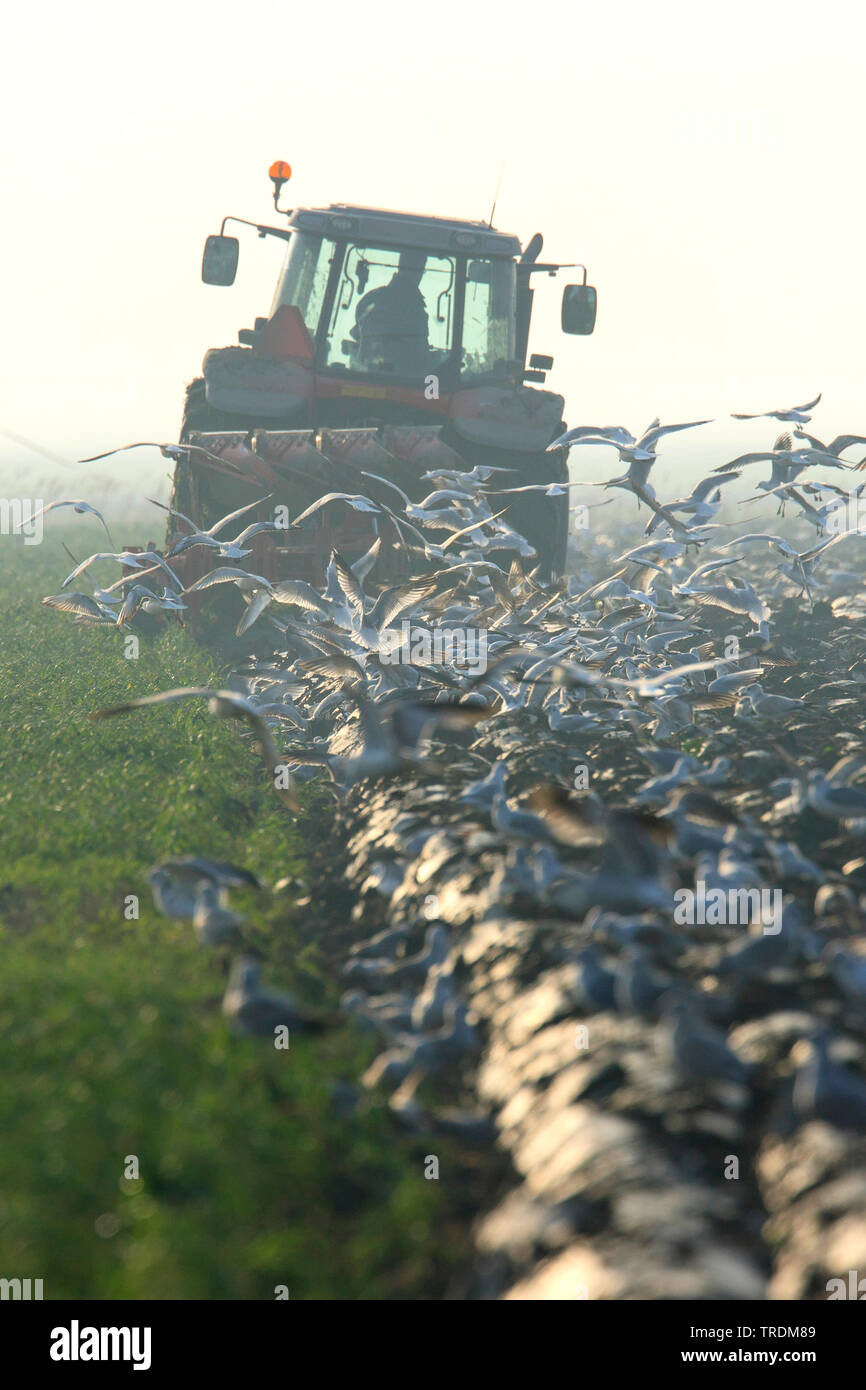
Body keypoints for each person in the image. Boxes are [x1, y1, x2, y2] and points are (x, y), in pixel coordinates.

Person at [350, 249, 431, 374]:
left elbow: (359, 333)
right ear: (418, 272)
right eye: (421, 271)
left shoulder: (371, 299)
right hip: (399, 379)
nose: (420, 276)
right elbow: (417, 355)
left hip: (368, 374)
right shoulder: (414, 310)